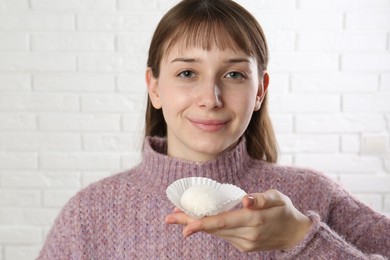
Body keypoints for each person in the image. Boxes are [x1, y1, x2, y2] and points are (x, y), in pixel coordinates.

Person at [37, 0, 390, 259]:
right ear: (155, 87)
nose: (211, 98)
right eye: (187, 73)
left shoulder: (313, 195)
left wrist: (300, 236)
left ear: (260, 91)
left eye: (234, 74)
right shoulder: (90, 213)